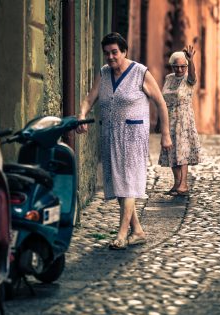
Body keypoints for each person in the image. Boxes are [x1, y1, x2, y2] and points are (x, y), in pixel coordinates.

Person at [76, 32, 172, 250]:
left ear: (124, 51)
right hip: (110, 135)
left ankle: (121, 234)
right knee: (120, 184)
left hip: (133, 136)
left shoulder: (140, 73)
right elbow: (90, 98)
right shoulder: (104, 73)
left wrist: (165, 134)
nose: (110, 57)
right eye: (107, 53)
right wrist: (82, 114)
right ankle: (137, 231)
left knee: (128, 183)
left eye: (114, 52)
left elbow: (161, 103)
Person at [158, 46, 202, 196]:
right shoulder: (168, 78)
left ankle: (184, 184)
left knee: (182, 151)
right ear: (172, 66)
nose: (180, 69)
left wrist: (191, 61)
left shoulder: (189, 79)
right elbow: (162, 99)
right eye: (176, 67)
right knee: (171, 151)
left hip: (184, 120)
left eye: (183, 66)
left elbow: (193, 75)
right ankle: (177, 182)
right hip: (169, 119)